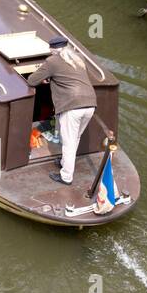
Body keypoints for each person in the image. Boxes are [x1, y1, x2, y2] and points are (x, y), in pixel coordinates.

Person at [27, 40, 97, 185]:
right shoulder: (78, 58)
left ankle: (66, 177)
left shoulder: (52, 61)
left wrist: (47, 78)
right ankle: (65, 162)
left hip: (72, 106)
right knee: (75, 138)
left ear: (53, 50)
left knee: (68, 143)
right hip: (90, 104)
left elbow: (32, 81)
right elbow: (69, 78)